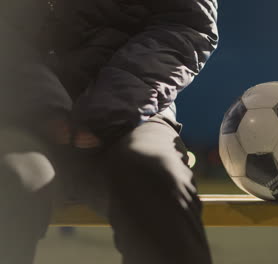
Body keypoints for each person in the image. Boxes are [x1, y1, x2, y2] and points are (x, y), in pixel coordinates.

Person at [0, 0, 218, 263]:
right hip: (24, 114)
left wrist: (111, 106)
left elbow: (186, 26)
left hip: (135, 110)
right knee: (11, 176)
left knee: (154, 173)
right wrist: (43, 106)